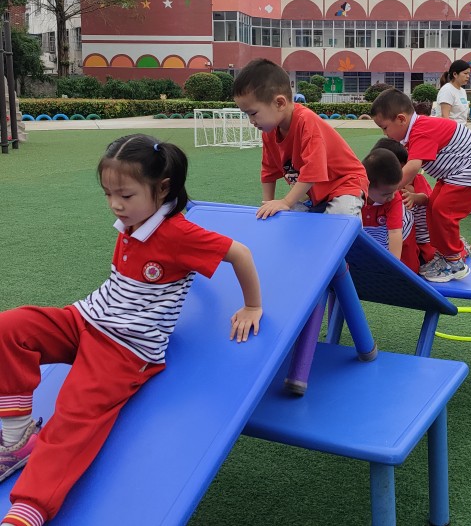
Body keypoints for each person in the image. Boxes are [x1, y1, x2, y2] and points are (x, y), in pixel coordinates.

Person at [0, 134, 262, 526]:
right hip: (88, 319)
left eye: (125, 195)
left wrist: (252, 305)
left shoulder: (178, 234)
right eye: (108, 194)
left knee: (74, 414)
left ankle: (29, 508)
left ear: (162, 188)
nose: (115, 204)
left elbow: (240, 253)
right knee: (11, 326)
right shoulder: (135, 219)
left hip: (126, 348)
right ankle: (17, 438)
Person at [370, 89, 471, 282]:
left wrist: (388, 189)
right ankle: (446, 253)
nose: (385, 133)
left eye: (385, 127)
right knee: (432, 206)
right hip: (455, 173)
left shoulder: (421, 130)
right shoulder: (417, 129)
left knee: (443, 211)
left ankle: (454, 262)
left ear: (401, 119)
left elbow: (413, 167)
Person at [232, 59, 368, 219]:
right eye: (247, 114)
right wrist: (267, 205)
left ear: (279, 103)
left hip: (344, 184)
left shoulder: (306, 121)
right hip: (314, 193)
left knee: (340, 217)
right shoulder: (269, 131)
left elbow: (313, 170)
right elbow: (269, 171)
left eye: (253, 113)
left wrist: (286, 201)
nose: (251, 121)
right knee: (285, 217)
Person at [374, 137, 435, 265]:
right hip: (400, 235)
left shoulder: (415, 179)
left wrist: (414, 197)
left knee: (427, 258)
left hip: (421, 239)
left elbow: (427, 199)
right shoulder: (382, 185)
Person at [361, 147, 419, 273]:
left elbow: (395, 232)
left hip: (401, 236)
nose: (392, 196)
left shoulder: (393, 199)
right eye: (386, 194)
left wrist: (393, 267)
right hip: (373, 233)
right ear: (366, 185)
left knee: (407, 270)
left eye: (395, 190)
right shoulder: (355, 196)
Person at [435, 60, 471, 124]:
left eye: (469, 73)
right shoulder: (447, 90)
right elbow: (445, 117)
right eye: (465, 73)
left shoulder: (463, 91)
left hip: (461, 128)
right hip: (450, 129)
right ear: (455, 74)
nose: (468, 76)